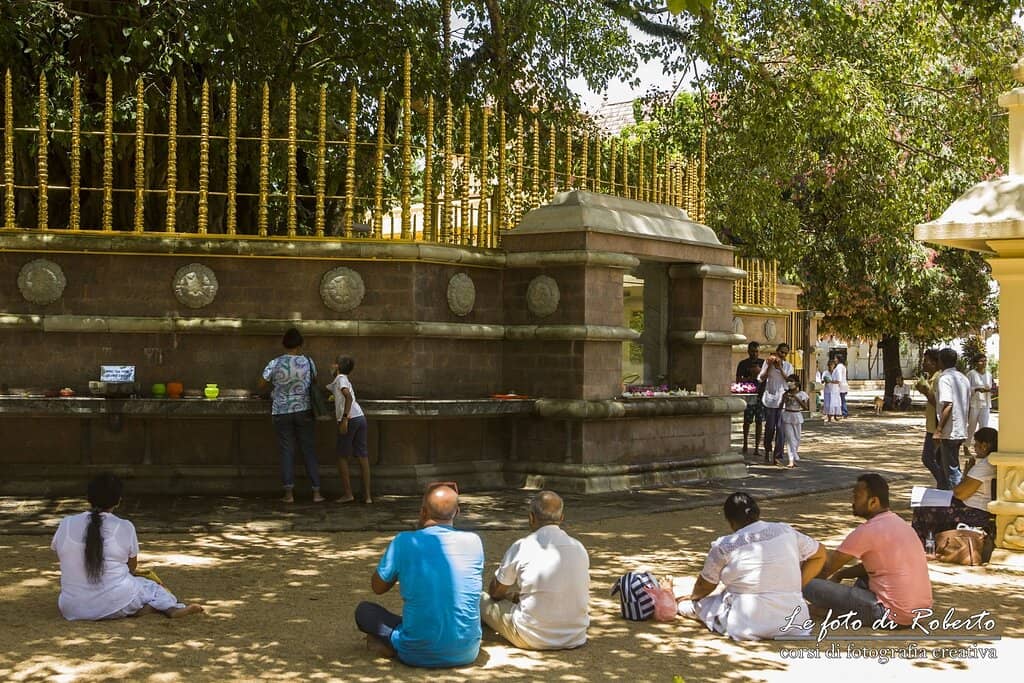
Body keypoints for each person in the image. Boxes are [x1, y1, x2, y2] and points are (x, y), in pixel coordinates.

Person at [355, 483, 484, 668]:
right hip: (467, 652)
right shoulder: (474, 542)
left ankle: (393, 646)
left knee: (365, 611)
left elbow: (378, 587)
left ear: (423, 512)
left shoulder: (405, 541)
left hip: (414, 653)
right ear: (457, 512)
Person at [51, 473, 204, 621]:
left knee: (130, 590)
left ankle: (141, 609)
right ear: (118, 501)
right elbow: (132, 566)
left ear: (88, 498)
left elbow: (62, 554)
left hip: (72, 607)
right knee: (151, 586)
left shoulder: (66, 523)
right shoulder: (125, 526)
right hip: (116, 600)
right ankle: (171, 609)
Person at [679, 492, 826, 641]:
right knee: (720, 598)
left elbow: (704, 585)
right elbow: (820, 554)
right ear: (757, 513)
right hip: (795, 622)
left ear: (730, 521)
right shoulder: (786, 531)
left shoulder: (724, 545)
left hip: (746, 623)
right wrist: (795, 587)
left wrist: (693, 598)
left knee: (693, 606)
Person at [803, 474, 932, 627]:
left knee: (807, 583)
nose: (852, 502)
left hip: (887, 613)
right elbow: (874, 567)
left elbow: (826, 568)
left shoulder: (868, 530)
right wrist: (841, 575)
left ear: (873, 502)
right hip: (919, 613)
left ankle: (828, 611)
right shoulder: (901, 524)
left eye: (856, 497)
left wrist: (803, 580)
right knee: (865, 578)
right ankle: (834, 610)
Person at [480, 491, 589, 650]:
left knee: (480, 598)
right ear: (561, 518)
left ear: (531, 518)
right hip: (575, 636)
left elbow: (495, 592)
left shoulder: (522, 546)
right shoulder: (579, 547)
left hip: (531, 637)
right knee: (517, 596)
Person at [259, 327, 323, 503]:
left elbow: (261, 383)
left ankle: (288, 494)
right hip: (304, 409)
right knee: (308, 449)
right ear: (300, 344)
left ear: (284, 344)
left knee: (287, 451)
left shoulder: (275, 363)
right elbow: (315, 381)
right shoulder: (308, 362)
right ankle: (316, 493)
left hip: (282, 410)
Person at [913, 428, 998, 548]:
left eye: (976, 444)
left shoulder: (985, 466)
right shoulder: (990, 463)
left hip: (976, 511)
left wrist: (966, 475)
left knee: (924, 508)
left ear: (984, 446)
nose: (974, 447)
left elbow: (961, 493)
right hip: (978, 507)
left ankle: (926, 546)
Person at [326, 356, 371, 504]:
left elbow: (348, 397)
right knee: (362, 456)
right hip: (360, 417)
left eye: (334, 363)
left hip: (350, 419)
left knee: (342, 456)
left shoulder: (340, 379)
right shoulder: (342, 379)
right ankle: (367, 496)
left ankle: (348, 494)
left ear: (337, 366)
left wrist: (345, 419)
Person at [935, 347, 970, 490]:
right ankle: (944, 493)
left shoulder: (944, 379)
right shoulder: (964, 378)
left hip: (950, 431)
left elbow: (948, 404)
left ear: (941, 361)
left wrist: (939, 429)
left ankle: (957, 497)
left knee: (952, 470)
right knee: (944, 463)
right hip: (960, 428)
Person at [757, 343, 794, 464]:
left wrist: (780, 368)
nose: (783, 355)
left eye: (785, 353)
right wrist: (769, 366)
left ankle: (777, 455)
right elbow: (761, 378)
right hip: (770, 399)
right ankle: (767, 450)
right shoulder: (768, 363)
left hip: (782, 400)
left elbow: (789, 381)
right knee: (770, 427)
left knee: (780, 428)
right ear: (777, 351)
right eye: (781, 352)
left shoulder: (788, 366)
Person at [914, 349, 945, 488]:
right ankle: (943, 485)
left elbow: (940, 404)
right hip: (932, 425)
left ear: (934, 363)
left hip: (936, 427)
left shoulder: (939, 379)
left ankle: (944, 483)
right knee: (939, 460)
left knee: (928, 458)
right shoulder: (931, 379)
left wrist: (926, 392)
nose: (923, 363)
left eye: (926, 361)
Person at [735, 341, 766, 457]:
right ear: (748, 351)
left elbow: (767, 378)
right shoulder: (743, 364)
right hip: (749, 396)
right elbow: (738, 380)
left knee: (759, 421)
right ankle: (745, 444)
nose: (754, 354)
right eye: (752, 351)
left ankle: (757, 447)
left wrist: (759, 374)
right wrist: (750, 377)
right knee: (747, 421)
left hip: (761, 395)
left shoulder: (763, 363)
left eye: (756, 351)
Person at [781, 374, 809, 468]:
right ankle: (791, 460)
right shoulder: (785, 394)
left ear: (796, 383)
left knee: (797, 438)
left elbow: (805, 407)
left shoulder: (802, 394)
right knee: (790, 439)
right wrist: (785, 399)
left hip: (797, 416)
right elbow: (781, 406)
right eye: (788, 381)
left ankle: (794, 455)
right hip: (787, 415)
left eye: (791, 381)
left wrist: (796, 397)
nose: (789, 383)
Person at [965, 356, 993, 455]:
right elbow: (967, 389)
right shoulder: (971, 374)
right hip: (974, 403)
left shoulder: (989, 375)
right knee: (971, 426)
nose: (984, 363)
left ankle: (982, 449)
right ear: (976, 362)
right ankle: (966, 446)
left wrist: (991, 390)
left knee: (984, 427)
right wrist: (976, 389)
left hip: (985, 403)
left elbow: (991, 387)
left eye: (985, 361)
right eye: (981, 361)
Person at [823, 358, 842, 423]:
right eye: (829, 364)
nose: (830, 366)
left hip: (835, 390)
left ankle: (835, 416)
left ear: (834, 365)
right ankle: (829, 418)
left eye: (832, 364)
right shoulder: (825, 372)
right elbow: (822, 380)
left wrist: (831, 381)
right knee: (828, 404)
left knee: (835, 403)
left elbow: (838, 381)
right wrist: (825, 380)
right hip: (827, 390)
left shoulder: (836, 372)